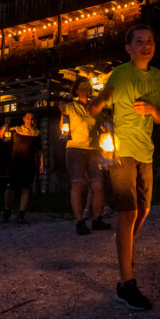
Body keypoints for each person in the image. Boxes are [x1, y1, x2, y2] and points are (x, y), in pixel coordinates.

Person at [89, 25, 160, 311]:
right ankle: (126, 284)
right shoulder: (120, 74)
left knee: (143, 210)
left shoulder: (156, 76)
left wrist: (150, 108)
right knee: (128, 211)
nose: (146, 45)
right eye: (139, 41)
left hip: (146, 150)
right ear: (128, 48)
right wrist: (94, 103)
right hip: (122, 151)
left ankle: (124, 247)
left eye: (150, 40)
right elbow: (101, 101)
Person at [58, 77, 111, 236]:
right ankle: (79, 221)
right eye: (83, 87)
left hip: (93, 149)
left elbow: (101, 126)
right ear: (77, 90)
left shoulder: (95, 107)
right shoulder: (70, 107)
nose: (87, 89)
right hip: (75, 149)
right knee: (77, 184)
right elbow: (63, 128)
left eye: (88, 87)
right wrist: (62, 113)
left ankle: (96, 219)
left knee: (98, 185)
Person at [0, 112, 44, 224]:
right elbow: (0, 135)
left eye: (32, 119)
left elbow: (40, 150)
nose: (30, 121)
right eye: (28, 118)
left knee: (26, 188)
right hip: (15, 163)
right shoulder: (16, 130)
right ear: (24, 119)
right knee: (10, 189)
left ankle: (21, 214)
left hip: (29, 164)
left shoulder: (36, 133)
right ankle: (7, 211)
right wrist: (5, 124)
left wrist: (42, 163)